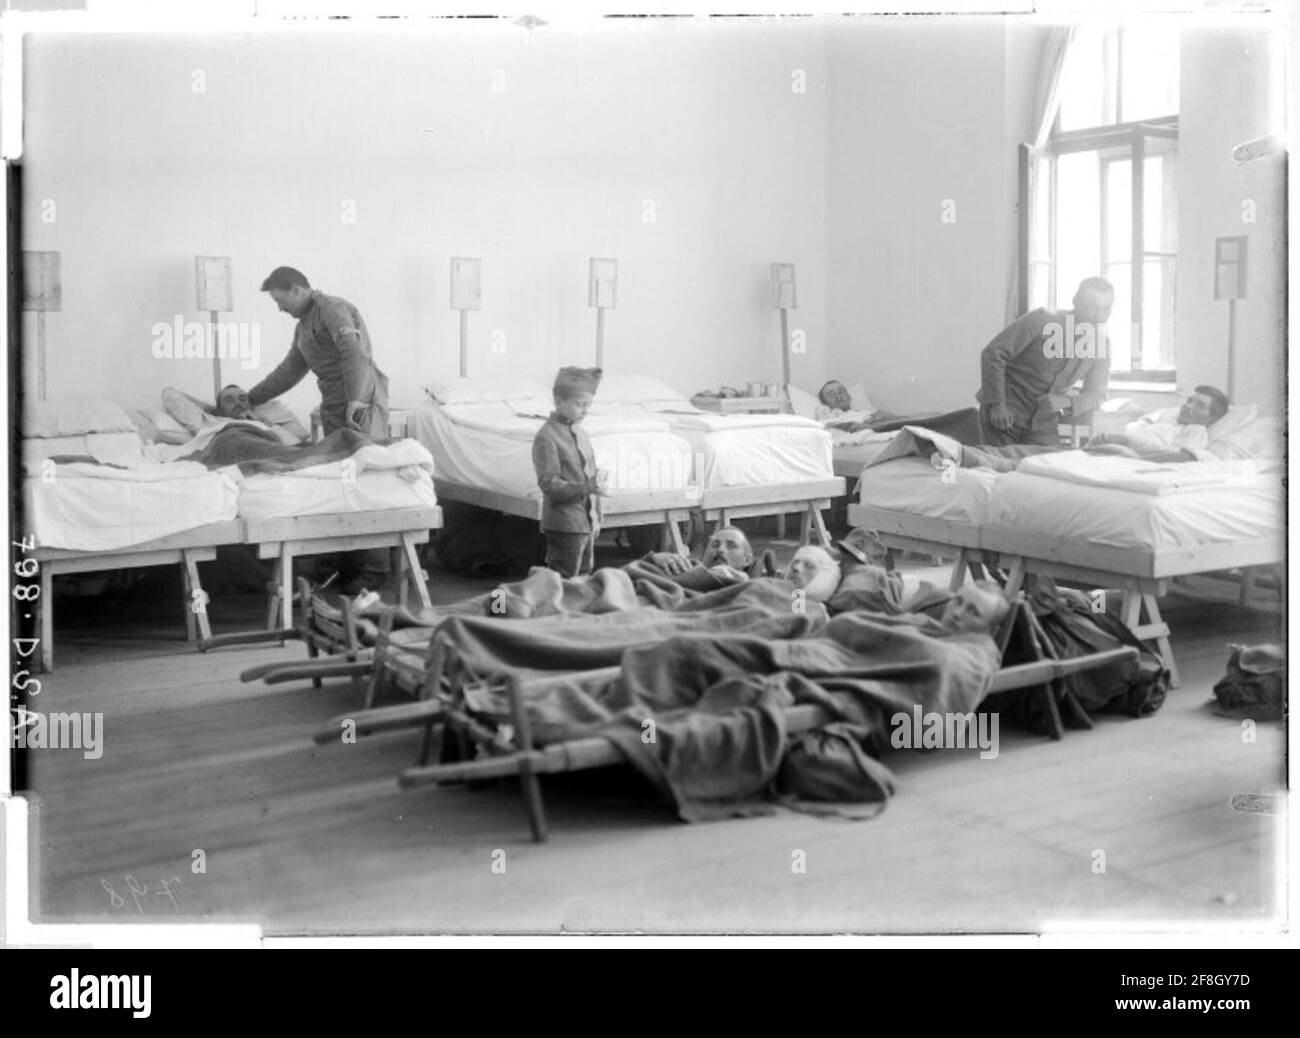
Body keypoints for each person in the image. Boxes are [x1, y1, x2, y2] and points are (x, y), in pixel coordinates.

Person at [248, 266, 392, 591]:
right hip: (335, 404)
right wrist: (251, 397)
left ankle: (376, 569)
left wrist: (356, 400)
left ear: (298, 289)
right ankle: (347, 564)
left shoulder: (332, 309)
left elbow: (354, 355)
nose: (280, 309)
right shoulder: (303, 327)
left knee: (368, 477)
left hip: (359, 403)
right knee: (344, 481)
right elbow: (288, 372)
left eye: (281, 301)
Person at [978, 277, 1114, 447]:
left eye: (1106, 309)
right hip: (1006, 413)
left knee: (1047, 463)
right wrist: (998, 404)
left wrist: (1067, 402)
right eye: (1092, 308)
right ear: (1076, 301)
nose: (1098, 317)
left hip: (1044, 421)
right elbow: (993, 354)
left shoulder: (1101, 345)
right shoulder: (1042, 319)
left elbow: (1097, 394)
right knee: (1001, 462)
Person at [533, 366, 609, 578]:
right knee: (563, 578)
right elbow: (549, 483)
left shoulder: (581, 434)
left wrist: (597, 515)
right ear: (559, 401)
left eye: (588, 405)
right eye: (580, 404)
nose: (585, 411)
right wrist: (586, 487)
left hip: (586, 522)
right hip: (564, 524)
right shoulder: (547, 437)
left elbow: (589, 475)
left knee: (584, 576)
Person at [160, 384, 309, 445]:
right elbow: (169, 393)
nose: (238, 403)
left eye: (242, 399)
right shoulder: (210, 421)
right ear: (219, 407)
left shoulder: (263, 421)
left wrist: (264, 421)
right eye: (229, 400)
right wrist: (211, 409)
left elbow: (295, 444)